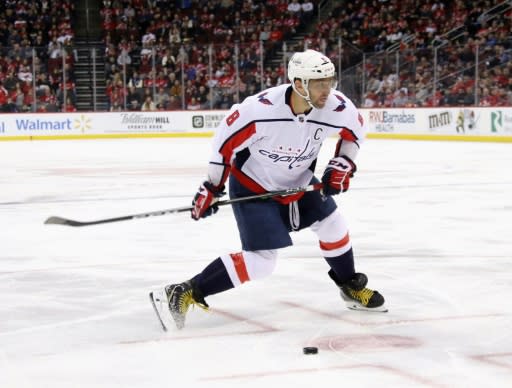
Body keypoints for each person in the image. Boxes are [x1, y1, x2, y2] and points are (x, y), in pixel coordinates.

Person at [151, 49, 386, 330]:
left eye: (329, 81)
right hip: (254, 189)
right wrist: (212, 187)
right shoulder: (259, 110)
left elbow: (356, 134)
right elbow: (223, 145)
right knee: (262, 263)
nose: (328, 89)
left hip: (299, 183)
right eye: (319, 83)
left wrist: (344, 162)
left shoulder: (337, 107)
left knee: (333, 224)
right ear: (299, 84)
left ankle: (349, 285)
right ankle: (184, 291)